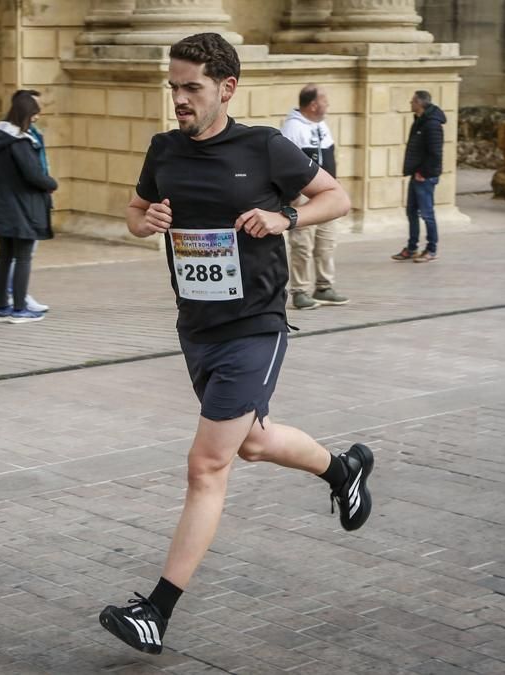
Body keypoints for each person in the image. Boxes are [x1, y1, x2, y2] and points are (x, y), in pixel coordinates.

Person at [97, 32, 373, 656]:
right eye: (174, 87)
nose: (180, 100)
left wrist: (285, 217)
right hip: (195, 328)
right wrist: (149, 222)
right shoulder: (164, 149)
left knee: (207, 464)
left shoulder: (264, 147)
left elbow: (337, 196)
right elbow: (136, 212)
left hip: (256, 326)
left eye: (191, 87)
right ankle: (344, 469)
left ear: (227, 88)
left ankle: (156, 612)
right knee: (249, 442)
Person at [0, 91, 57, 324]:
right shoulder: (20, 141)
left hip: (1, 205)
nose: (36, 119)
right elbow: (33, 175)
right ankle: (19, 309)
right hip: (22, 208)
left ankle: (1, 307)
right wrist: (51, 184)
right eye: (34, 114)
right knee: (23, 257)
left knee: (4, 255)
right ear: (26, 114)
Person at [281, 84, 348, 309]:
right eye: (324, 100)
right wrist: (292, 197)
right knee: (302, 243)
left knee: (326, 242)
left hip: (326, 195)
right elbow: (287, 166)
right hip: (303, 196)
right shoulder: (292, 128)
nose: (327, 104)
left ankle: (324, 286)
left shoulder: (322, 126)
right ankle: (300, 290)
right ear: (313, 105)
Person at [5, 89, 51, 314]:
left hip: (37, 197)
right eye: (35, 108)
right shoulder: (16, 136)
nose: (38, 113)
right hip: (25, 201)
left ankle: (17, 293)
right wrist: (47, 183)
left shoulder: (33, 132)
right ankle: (16, 295)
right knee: (22, 254)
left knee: (26, 253)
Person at [392, 90, 445, 263]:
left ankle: (431, 249)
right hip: (417, 174)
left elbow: (436, 153)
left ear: (420, 103)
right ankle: (412, 247)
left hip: (425, 177)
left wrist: (424, 172)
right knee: (411, 212)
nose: (410, 103)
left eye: (413, 101)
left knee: (427, 213)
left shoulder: (431, 124)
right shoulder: (420, 121)